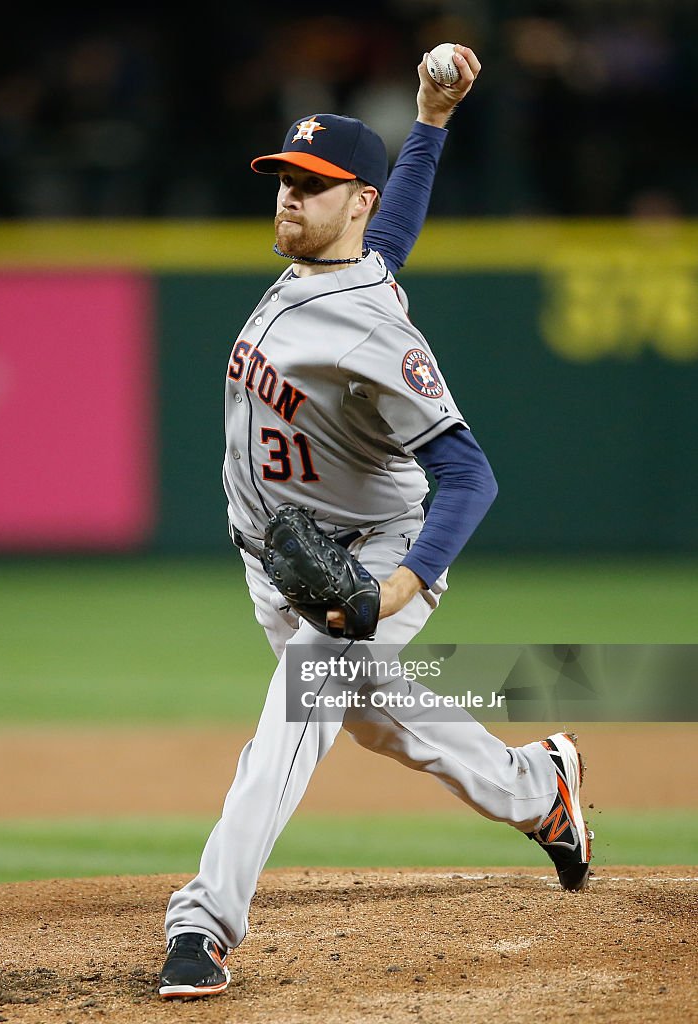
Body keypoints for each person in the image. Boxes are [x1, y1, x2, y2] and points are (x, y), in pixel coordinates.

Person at [159, 46, 592, 1000]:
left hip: (367, 561)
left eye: (310, 188)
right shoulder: (347, 264)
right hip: (285, 565)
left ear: (348, 200)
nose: (287, 199)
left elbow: (468, 473)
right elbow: (388, 234)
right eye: (282, 180)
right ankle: (537, 790)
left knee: (299, 707)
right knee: (378, 720)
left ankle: (203, 922)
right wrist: (431, 119)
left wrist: (397, 587)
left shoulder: (371, 326)